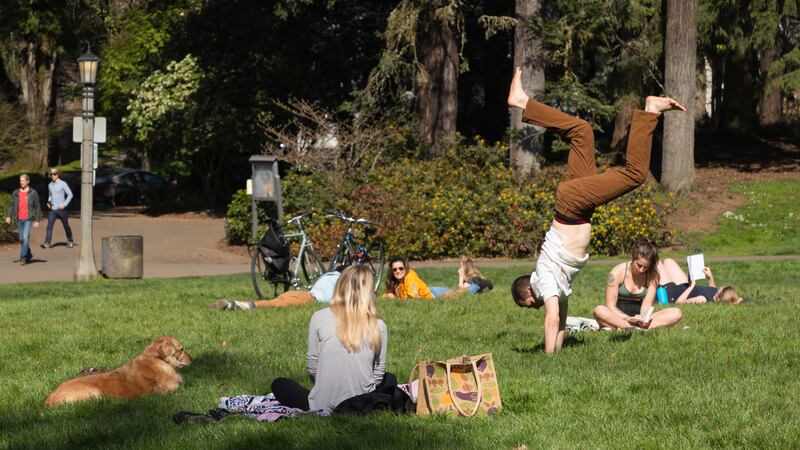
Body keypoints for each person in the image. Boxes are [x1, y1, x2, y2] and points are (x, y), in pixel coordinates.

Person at [507, 67, 686, 353]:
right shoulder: (555, 282)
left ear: (528, 291)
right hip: (575, 205)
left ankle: (650, 110)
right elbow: (561, 322)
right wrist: (556, 353)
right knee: (582, 132)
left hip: (573, 207)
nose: (534, 307)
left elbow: (551, 318)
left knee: (635, 173)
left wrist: (546, 358)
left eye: (528, 304)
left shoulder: (542, 282)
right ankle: (522, 102)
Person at [269, 265, 395, 413]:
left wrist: (326, 386)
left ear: (340, 285)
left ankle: (324, 399)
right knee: (390, 379)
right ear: (369, 291)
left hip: (322, 403)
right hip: (363, 404)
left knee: (280, 384)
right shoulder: (378, 325)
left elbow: (312, 365)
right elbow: (378, 373)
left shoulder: (319, 317)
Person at [593, 242, 683, 330]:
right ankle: (631, 327)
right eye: (639, 265)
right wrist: (628, 319)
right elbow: (610, 306)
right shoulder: (617, 273)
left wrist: (642, 319)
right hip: (617, 316)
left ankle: (631, 328)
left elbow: (647, 303)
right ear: (633, 258)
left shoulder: (653, 275)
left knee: (676, 313)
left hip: (638, 317)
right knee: (599, 310)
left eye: (646, 267)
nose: (641, 270)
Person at [208, 270, 342, 310]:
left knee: (275, 301)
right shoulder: (342, 280)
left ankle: (232, 304)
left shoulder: (328, 275)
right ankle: (244, 305)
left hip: (299, 293)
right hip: (308, 298)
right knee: (276, 304)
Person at [658, 258, 743, 304]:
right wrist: (710, 278)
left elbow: (679, 303)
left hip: (671, 292)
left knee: (656, 262)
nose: (717, 290)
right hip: (683, 285)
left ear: (717, 298)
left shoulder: (702, 299)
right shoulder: (714, 294)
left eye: (718, 291)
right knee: (668, 261)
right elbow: (711, 290)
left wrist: (691, 287)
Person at [5, 174, 41, 265]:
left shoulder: (33, 192)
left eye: (23, 181)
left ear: (28, 181)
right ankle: (29, 254)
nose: (21, 182)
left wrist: (37, 220)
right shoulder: (16, 193)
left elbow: (37, 207)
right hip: (19, 218)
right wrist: (8, 216)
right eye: (20, 181)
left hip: (28, 219)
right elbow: (11, 205)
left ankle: (23, 257)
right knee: (21, 239)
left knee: (25, 237)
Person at [385, 257, 450, 299]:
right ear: (392, 271)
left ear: (406, 268)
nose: (398, 271)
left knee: (458, 295)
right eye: (395, 269)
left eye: (401, 268)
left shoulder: (409, 277)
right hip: (428, 289)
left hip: (437, 294)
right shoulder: (394, 281)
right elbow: (387, 294)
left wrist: (396, 299)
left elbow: (414, 299)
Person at [42, 168, 75, 249]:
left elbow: (70, 194)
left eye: (54, 174)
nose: (52, 176)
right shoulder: (50, 185)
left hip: (61, 209)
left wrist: (65, 204)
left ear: (58, 175)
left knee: (66, 226)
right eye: (51, 174)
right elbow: (50, 195)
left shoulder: (63, 184)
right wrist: (48, 202)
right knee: (49, 226)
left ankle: (70, 240)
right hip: (53, 210)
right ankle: (47, 242)